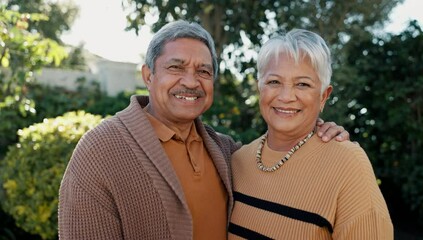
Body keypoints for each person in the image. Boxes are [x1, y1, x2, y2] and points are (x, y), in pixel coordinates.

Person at [58, 20, 349, 239]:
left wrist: (315, 131)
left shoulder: (226, 151)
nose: (191, 81)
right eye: (176, 67)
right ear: (149, 75)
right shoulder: (100, 150)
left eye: (204, 71)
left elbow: (280, 162)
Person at [228, 29, 393, 239]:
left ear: (323, 96)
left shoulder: (349, 165)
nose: (286, 96)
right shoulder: (236, 161)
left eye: (302, 84)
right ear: (260, 88)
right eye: (274, 82)